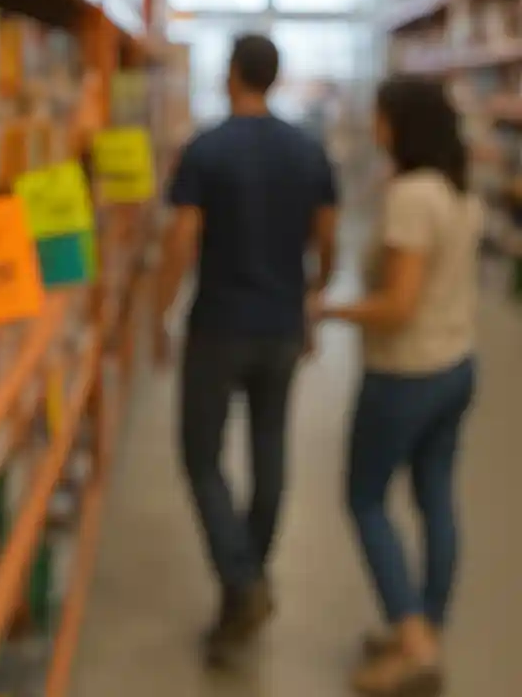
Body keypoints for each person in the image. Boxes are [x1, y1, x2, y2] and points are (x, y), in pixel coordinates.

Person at [157, 33, 339, 665]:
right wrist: (313, 297)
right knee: (270, 453)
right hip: (282, 324)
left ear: (231, 74)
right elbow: (327, 237)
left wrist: (158, 312)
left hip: (218, 326)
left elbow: (183, 239)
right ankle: (248, 581)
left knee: (200, 456)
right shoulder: (308, 151)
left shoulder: (205, 150)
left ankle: (242, 582)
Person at [315, 77, 480, 696]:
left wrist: (329, 311)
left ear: (399, 124)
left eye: (379, 115)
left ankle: (412, 645)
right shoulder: (455, 192)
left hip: (405, 373)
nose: (372, 125)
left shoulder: (411, 197)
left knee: (365, 499)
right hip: (456, 366)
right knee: (436, 495)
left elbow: (398, 306)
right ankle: (426, 627)